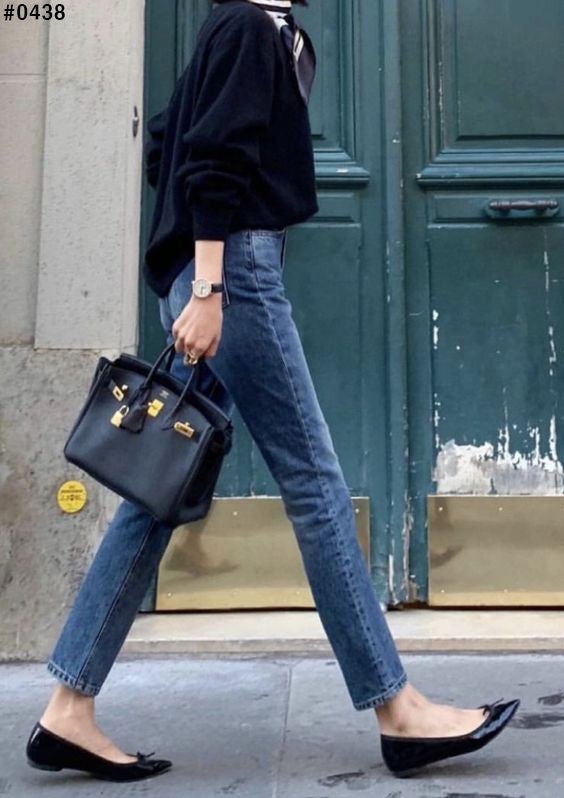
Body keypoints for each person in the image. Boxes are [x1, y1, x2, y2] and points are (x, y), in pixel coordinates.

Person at [25, 0, 519, 783]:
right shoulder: (251, 28)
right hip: (236, 277)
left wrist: (190, 271)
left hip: (218, 274)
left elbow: (166, 141)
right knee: (315, 486)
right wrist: (209, 286)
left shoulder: (256, 32)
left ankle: (67, 708)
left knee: (157, 487)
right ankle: (398, 711)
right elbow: (209, 156)